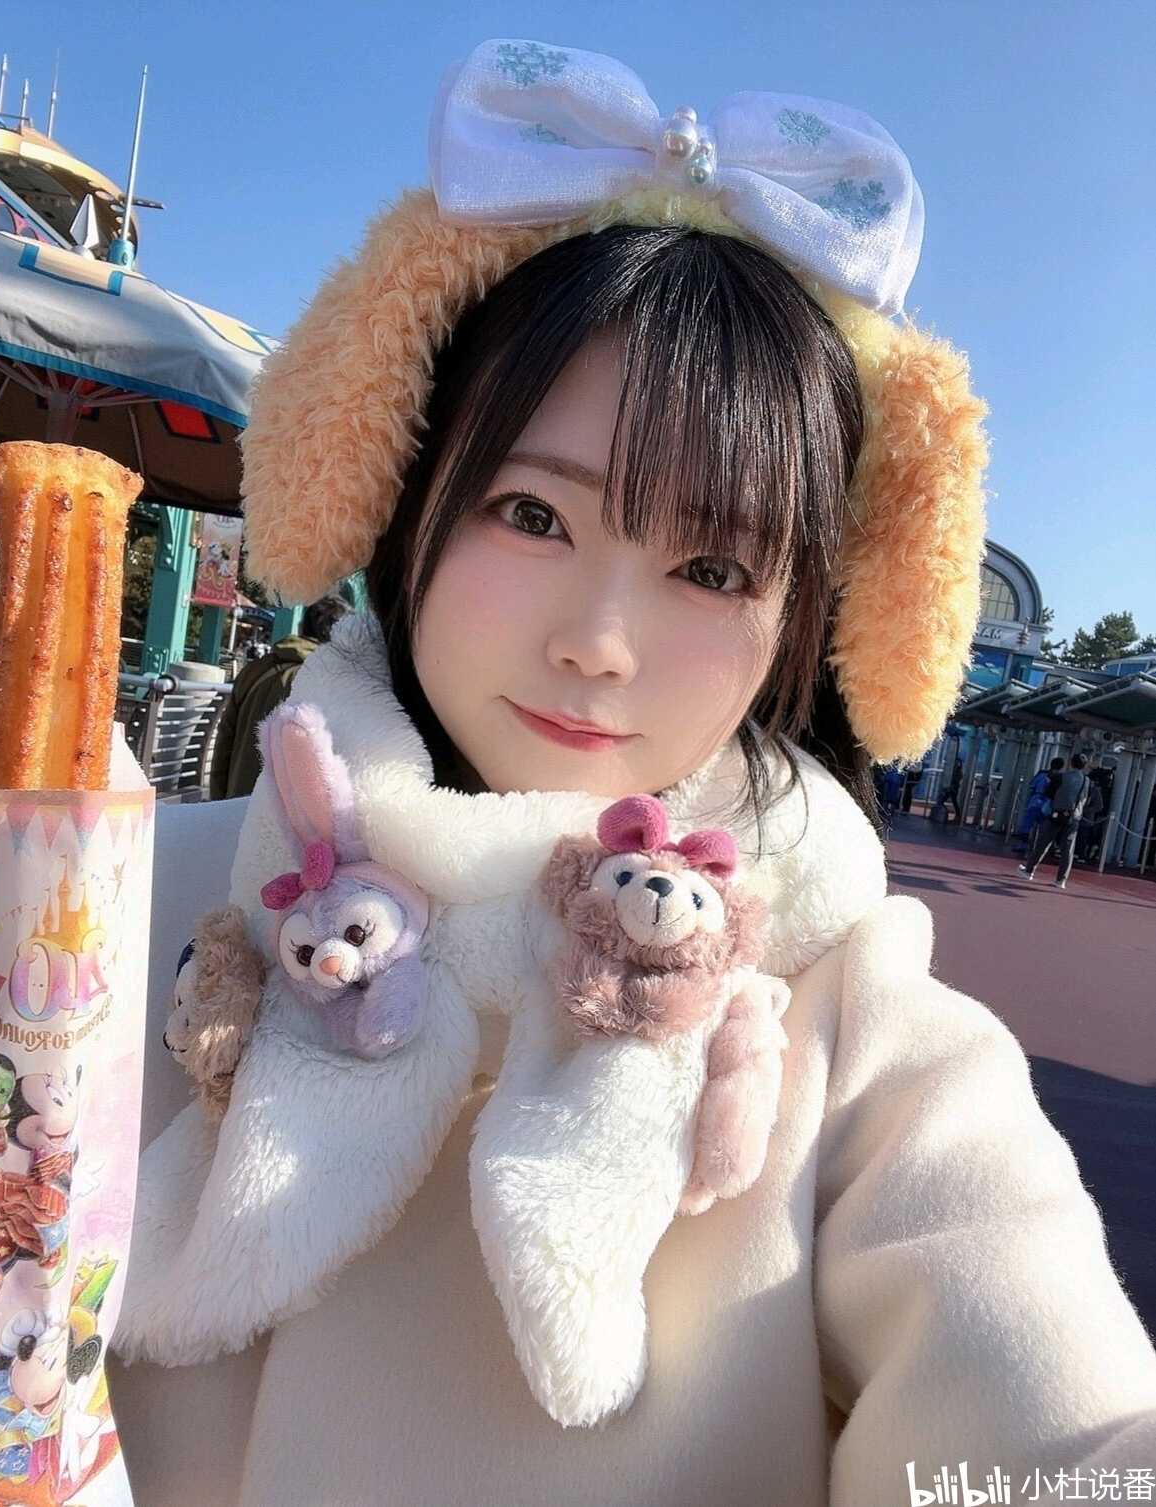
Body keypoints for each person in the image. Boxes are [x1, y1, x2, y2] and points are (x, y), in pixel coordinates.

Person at [110, 43, 1156, 1507]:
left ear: (806, 624)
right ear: (402, 495)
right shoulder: (110, 900)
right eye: (533, 514)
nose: (598, 642)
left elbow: (1064, 1433)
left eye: (712, 568)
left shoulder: (856, 1035)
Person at [207, 594, 350, 799]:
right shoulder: (333, 680)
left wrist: (219, 802)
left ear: (302, 627)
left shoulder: (255, 670)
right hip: (292, 812)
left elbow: (224, 745)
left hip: (238, 802)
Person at [1019, 753, 1093, 889]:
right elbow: (1086, 797)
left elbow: (1049, 793)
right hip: (1074, 817)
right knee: (1067, 849)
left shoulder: (1061, 777)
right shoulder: (1086, 780)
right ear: (1084, 766)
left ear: (1071, 763)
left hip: (1056, 814)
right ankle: (1061, 880)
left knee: (1042, 843)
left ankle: (1029, 870)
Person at [1014, 755, 1064, 853]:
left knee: (1028, 824)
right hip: (1048, 804)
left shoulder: (1042, 774)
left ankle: (1022, 845)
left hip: (1035, 801)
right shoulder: (1060, 778)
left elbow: (1032, 785)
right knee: (1044, 827)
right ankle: (1041, 848)